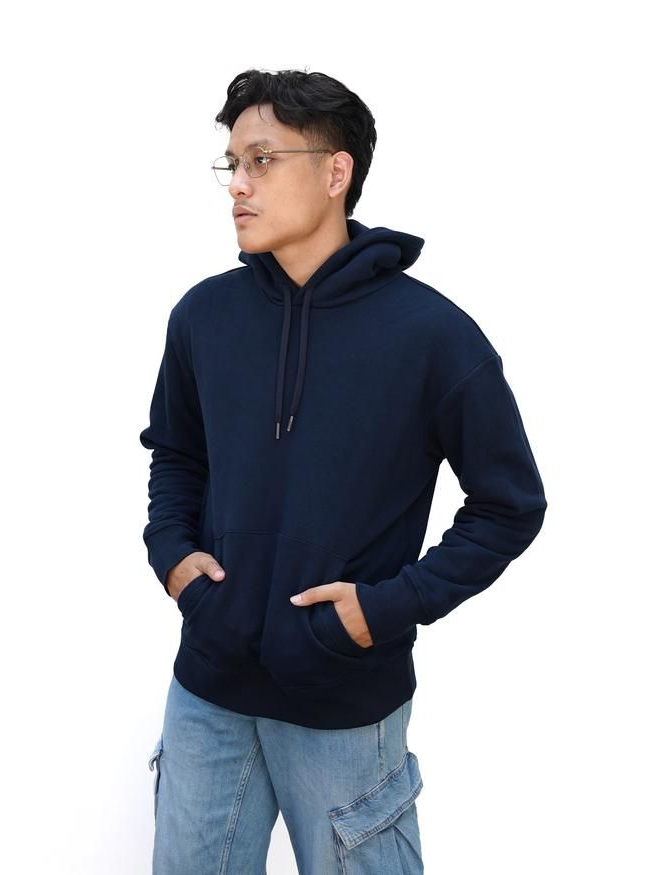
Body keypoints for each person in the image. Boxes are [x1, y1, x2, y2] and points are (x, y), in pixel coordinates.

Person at [139, 68, 547, 875]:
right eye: (232, 163)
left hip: (345, 703)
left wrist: (387, 607)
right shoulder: (203, 316)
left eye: (262, 160)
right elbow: (178, 454)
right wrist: (175, 558)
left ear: (336, 172)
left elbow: (509, 503)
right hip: (207, 691)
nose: (238, 185)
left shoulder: (433, 335)